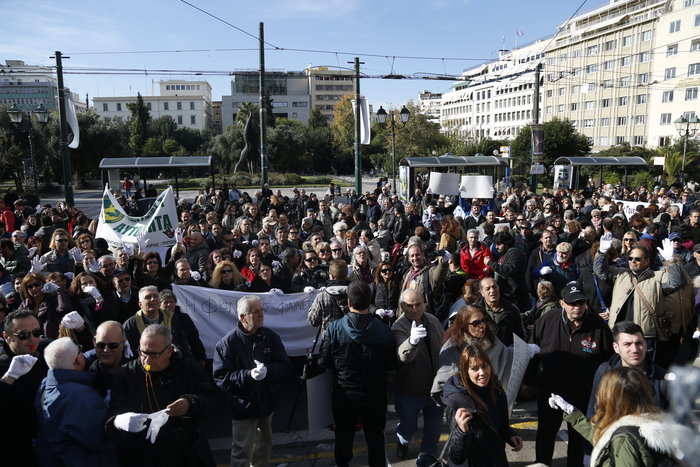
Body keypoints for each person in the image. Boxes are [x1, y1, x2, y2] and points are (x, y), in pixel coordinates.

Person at [107, 324, 217, 467]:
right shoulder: (126, 375)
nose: (147, 360)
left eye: (154, 354)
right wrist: (119, 421)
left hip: (184, 451)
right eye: (143, 353)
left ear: (169, 351)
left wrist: (190, 403)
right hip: (141, 454)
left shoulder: (188, 368)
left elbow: (211, 400)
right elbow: (113, 413)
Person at [530, 282, 613, 467]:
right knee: (545, 434)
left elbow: (609, 360)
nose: (577, 307)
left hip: (583, 393)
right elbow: (532, 351)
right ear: (562, 303)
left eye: (581, 302)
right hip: (550, 391)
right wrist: (529, 382)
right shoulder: (546, 321)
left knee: (578, 438)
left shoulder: (599, 326)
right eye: (572, 303)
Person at [319, 280, 396, 467]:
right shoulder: (384, 330)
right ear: (370, 302)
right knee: (375, 438)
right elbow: (391, 364)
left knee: (343, 436)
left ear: (349, 302)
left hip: (345, 394)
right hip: (375, 395)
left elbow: (324, 361)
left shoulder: (334, 328)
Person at [550, 367, 693, 466]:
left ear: (612, 398)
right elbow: (605, 440)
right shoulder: (653, 423)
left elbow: (616, 442)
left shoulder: (625, 439)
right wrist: (572, 413)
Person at [213, 295, 291, 467]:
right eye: (256, 312)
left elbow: (285, 366)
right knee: (242, 452)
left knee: (263, 449)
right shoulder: (227, 344)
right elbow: (221, 378)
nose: (261, 314)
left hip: (267, 405)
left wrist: (268, 371)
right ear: (243, 317)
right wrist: (248, 375)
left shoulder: (271, 337)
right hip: (244, 407)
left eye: (262, 310)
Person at [35, 337, 118, 467]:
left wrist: (99, 349)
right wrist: (112, 408)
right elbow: (102, 437)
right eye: (79, 351)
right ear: (78, 361)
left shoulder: (46, 384)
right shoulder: (82, 397)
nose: (83, 353)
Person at [442, 344, 523, 467]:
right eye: (474, 368)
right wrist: (461, 431)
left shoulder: (496, 390)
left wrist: (510, 435)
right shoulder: (458, 401)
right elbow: (456, 457)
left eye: (485, 366)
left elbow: (499, 425)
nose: (482, 373)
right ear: (466, 372)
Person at [391, 289, 445, 461]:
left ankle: (427, 458)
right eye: (410, 306)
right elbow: (403, 356)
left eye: (418, 304)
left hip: (436, 390)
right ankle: (403, 441)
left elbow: (444, 345)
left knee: (433, 430)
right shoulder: (398, 327)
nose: (415, 309)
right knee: (408, 428)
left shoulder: (433, 321)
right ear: (402, 306)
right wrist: (412, 342)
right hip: (410, 392)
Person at [586, 321, 668, 418]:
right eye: (627, 344)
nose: (635, 349)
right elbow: (594, 412)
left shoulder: (662, 379)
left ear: (646, 345)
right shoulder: (604, 372)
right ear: (616, 347)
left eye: (639, 343)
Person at [1, 309, 49, 467]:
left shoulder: (47, 350)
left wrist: (81, 330)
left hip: (49, 436)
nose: (32, 339)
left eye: (36, 332)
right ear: (7, 337)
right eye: (23, 335)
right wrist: (8, 379)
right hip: (16, 446)